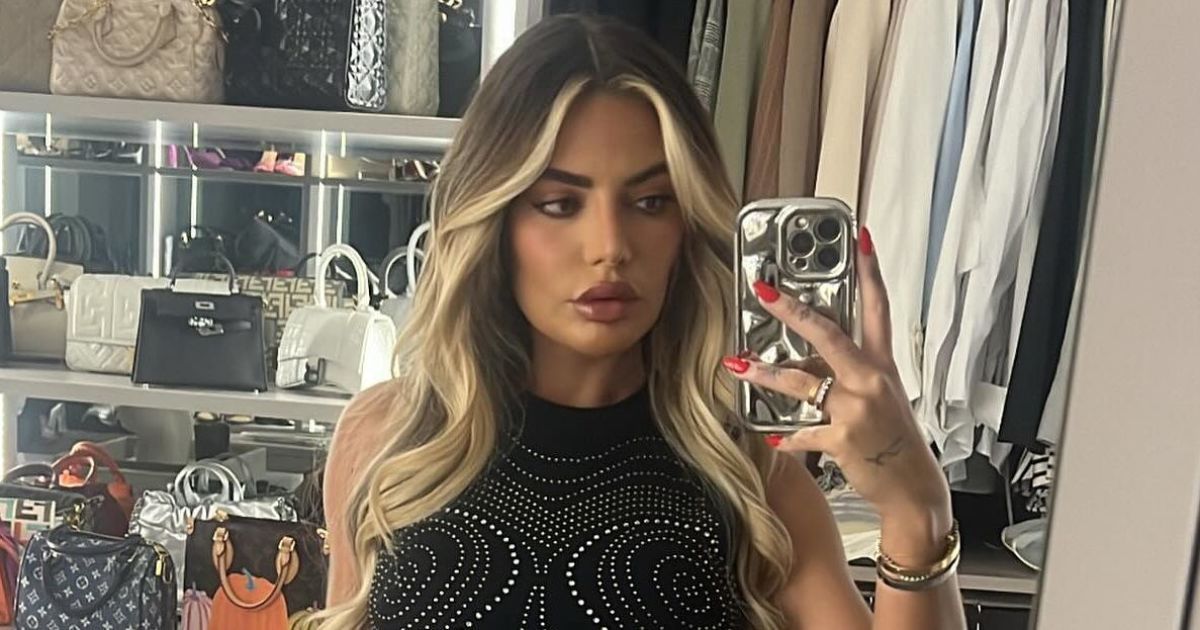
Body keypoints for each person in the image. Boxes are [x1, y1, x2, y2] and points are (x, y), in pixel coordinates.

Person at [319, 14, 966, 629]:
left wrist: (919, 514)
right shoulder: (390, 442)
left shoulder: (752, 486)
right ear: (495, 219)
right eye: (560, 203)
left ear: (686, 223)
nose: (610, 246)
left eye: (651, 201)